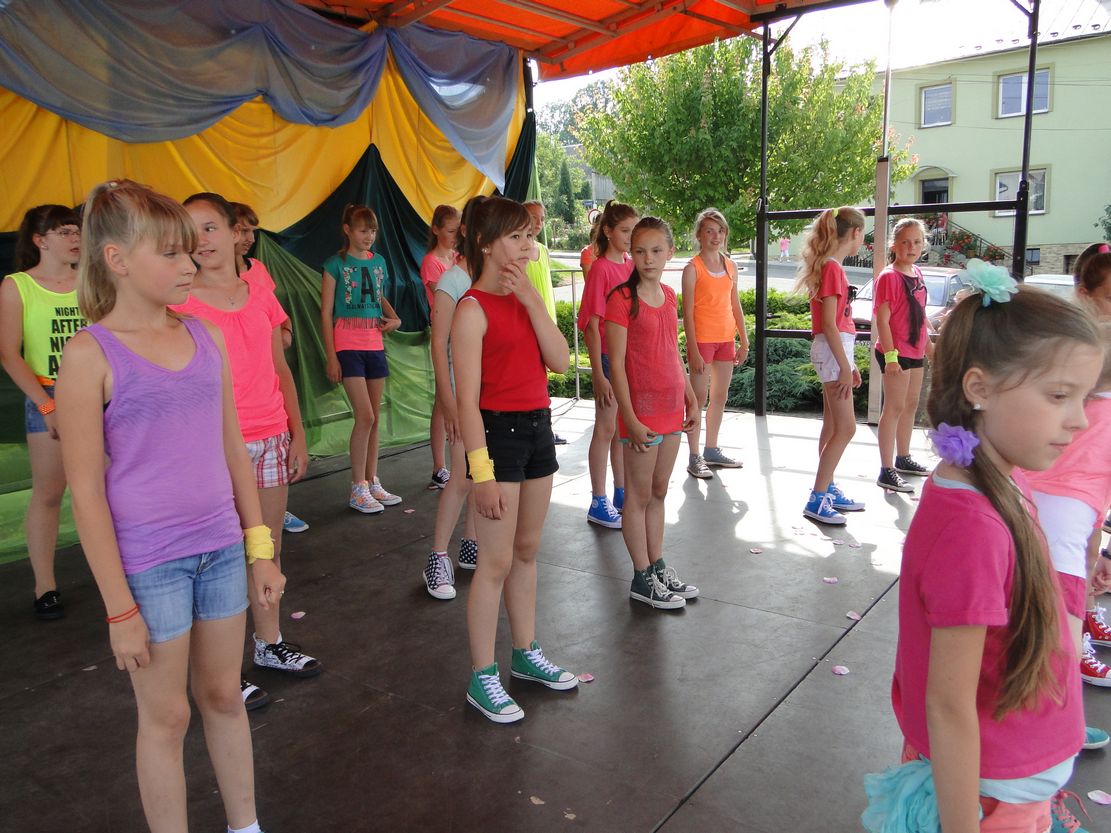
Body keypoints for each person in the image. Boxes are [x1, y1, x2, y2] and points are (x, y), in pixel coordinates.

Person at [56, 179, 284, 833]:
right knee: (166, 717)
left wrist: (259, 548)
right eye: (171, 252)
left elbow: (234, 451)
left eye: (190, 249)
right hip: (149, 564)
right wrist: (119, 609)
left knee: (222, 695)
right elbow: (86, 494)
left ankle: (246, 825)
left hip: (221, 552)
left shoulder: (204, 337)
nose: (190, 263)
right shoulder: (89, 355)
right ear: (117, 260)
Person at [866, 275, 1103, 833]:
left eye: (1085, 397)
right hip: (993, 802)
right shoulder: (973, 525)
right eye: (1059, 395)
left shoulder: (998, 482)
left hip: (1012, 785)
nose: (1080, 419)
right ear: (980, 387)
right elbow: (949, 706)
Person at [176, 192, 320, 712]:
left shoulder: (259, 286)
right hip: (212, 448)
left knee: (267, 550)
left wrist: (297, 433)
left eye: (210, 227)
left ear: (235, 232)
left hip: (271, 436)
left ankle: (269, 643)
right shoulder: (177, 301)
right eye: (190, 230)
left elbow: (280, 367)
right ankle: (220, 671)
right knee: (218, 561)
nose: (201, 240)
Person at [452, 197, 577, 723]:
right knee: (495, 563)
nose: (529, 246)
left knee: (526, 551)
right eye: (517, 237)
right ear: (486, 244)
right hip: (496, 436)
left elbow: (561, 360)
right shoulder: (471, 309)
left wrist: (531, 301)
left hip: (537, 428)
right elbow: (466, 402)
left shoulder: (527, 297)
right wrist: (481, 475)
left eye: (531, 236)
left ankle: (525, 653)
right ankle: (482, 676)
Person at [606, 218, 700, 609]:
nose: (648, 259)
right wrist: (629, 417)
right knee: (638, 495)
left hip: (671, 407)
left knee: (659, 492)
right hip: (641, 413)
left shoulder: (669, 295)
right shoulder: (621, 299)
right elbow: (616, 364)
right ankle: (641, 576)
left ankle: (656, 565)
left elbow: (671, 350)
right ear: (631, 253)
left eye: (656, 251)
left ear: (670, 253)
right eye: (640, 251)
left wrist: (691, 396)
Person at [0, 205, 84, 620]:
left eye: (77, 230)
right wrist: (46, 405)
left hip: (96, 393)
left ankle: (126, 571)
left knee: (110, 488)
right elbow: (9, 354)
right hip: (47, 393)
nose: (75, 238)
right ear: (40, 240)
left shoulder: (90, 280)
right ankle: (44, 586)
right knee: (49, 493)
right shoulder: (17, 286)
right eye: (65, 231)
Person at [321, 204, 403, 515]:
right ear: (347, 230)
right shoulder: (335, 264)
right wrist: (332, 356)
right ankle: (357, 487)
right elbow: (325, 312)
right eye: (362, 230)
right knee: (365, 416)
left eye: (373, 231)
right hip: (347, 344)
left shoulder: (378, 262)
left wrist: (395, 319)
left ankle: (371, 480)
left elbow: (378, 296)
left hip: (374, 343)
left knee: (375, 417)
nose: (369, 236)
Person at [231, 202, 308, 536]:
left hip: (268, 422)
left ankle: (274, 511)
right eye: (241, 230)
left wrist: (283, 332)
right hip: (230, 430)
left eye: (252, 230)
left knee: (268, 546)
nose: (249, 237)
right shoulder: (188, 295)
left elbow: (277, 317)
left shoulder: (258, 272)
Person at [423, 196, 483, 599]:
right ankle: (437, 556)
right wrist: (449, 404)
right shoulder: (451, 282)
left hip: (488, 396)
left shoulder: (494, 278)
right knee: (462, 475)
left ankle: (471, 544)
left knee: (483, 473)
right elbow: (438, 346)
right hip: (463, 398)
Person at [794, 207, 867, 525]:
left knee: (832, 424)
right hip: (833, 351)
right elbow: (830, 324)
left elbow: (833, 323)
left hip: (833, 351)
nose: (862, 241)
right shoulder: (833, 268)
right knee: (847, 428)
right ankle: (818, 496)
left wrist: (847, 363)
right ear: (855, 233)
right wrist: (845, 366)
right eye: (863, 235)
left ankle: (828, 487)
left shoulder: (828, 266)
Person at [576, 200, 638, 529]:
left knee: (619, 429)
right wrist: (598, 374)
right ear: (609, 231)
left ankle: (620, 491)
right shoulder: (601, 268)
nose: (630, 237)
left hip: (626, 356)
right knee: (605, 428)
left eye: (634, 231)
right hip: (608, 357)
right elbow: (591, 324)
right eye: (625, 230)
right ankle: (598, 499)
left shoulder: (630, 265)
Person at [681, 208, 748, 478]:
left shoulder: (730, 266)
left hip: (725, 340)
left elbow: (735, 304)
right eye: (709, 230)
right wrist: (694, 350)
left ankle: (711, 449)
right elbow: (687, 314)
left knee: (720, 397)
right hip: (702, 342)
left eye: (720, 231)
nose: (716, 236)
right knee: (697, 400)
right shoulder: (692, 268)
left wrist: (744, 340)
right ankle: (694, 456)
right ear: (699, 234)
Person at [874, 218, 933, 493]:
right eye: (905, 242)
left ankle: (903, 457)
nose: (912, 247)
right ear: (894, 245)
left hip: (915, 350)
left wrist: (929, 347)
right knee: (894, 408)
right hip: (895, 353)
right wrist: (891, 357)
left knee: (910, 405)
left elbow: (920, 314)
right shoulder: (889, 277)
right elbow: (883, 320)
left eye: (917, 242)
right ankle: (886, 470)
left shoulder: (917, 273)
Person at [421, 204, 461, 491]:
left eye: (458, 231)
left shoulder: (457, 258)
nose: (454, 236)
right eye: (450, 231)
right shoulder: (431, 262)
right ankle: (439, 466)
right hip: (445, 334)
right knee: (444, 400)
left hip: (461, 334)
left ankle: (459, 462)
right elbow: (448, 294)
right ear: (436, 230)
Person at [523, 200, 568, 445]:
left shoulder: (543, 250)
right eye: (533, 217)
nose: (538, 222)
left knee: (546, 377)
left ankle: (546, 427)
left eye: (541, 218)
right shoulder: (519, 251)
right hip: (528, 322)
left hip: (545, 318)